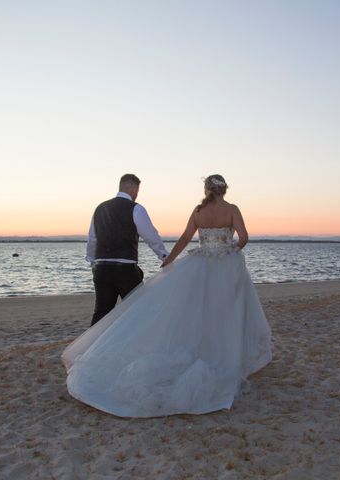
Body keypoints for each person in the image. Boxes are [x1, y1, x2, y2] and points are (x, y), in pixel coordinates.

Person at [63, 174, 272, 417]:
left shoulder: (197, 210)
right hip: (225, 266)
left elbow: (184, 238)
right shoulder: (232, 209)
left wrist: (169, 261)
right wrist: (231, 252)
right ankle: (226, 352)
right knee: (226, 311)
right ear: (224, 190)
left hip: (195, 265)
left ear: (206, 190)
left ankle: (97, 353)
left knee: (195, 310)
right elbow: (244, 238)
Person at [86, 174, 169, 326]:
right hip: (125, 269)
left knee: (102, 311)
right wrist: (165, 257)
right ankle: (135, 346)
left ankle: (90, 348)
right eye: (137, 190)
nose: (137, 194)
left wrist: (93, 263)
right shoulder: (136, 209)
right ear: (133, 189)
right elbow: (151, 237)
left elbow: (92, 238)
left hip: (101, 268)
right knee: (138, 309)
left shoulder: (100, 208)